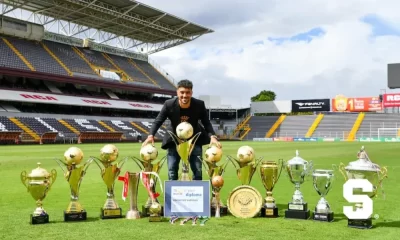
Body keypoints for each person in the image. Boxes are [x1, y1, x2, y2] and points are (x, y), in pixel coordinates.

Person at [142, 79, 221, 180]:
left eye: (188, 92)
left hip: (194, 140)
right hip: (174, 140)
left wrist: (213, 137)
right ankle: (173, 195)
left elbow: (206, 122)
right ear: (177, 92)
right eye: (182, 92)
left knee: (197, 170)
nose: (185, 95)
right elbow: (158, 120)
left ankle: (196, 194)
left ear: (191, 93)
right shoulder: (169, 104)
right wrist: (150, 135)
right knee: (172, 170)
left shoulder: (199, 105)